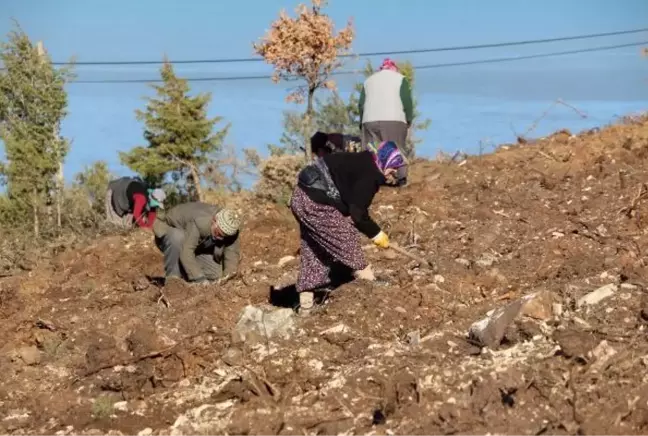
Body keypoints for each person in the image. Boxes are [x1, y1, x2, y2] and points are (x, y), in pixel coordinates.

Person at [290, 140, 407, 313]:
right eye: (394, 166)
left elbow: (348, 199)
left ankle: (306, 303)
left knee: (315, 248)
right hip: (314, 202)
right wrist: (377, 234)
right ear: (385, 161)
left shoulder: (363, 161)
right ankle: (368, 279)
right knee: (346, 235)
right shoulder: (370, 175)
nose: (395, 171)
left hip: (301, 198)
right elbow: (358, 214)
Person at [152, 202, 241, 284]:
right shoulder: (201, 221)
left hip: (196, 244)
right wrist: (199, 278)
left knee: (215, 276)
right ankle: (173, 282)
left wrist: (228, 279)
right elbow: (186, 252)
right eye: (218, 233)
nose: (219, 238)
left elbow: (232, 255)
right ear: (214, 220)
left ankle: (186, 277)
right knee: (178, 237)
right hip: (170, 233)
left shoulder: (231, 230)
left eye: (223, 237)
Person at [359, 58, 413, 182]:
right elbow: (406, 101)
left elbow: (361, 104)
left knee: (371, 151)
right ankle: (401, 178)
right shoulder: (400, 79)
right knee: (397, 148)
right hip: (394, 119)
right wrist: (408, 119)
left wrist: (362, 122)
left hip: (369, 120)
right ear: (394, 69)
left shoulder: (368, 81)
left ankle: (371, 180)